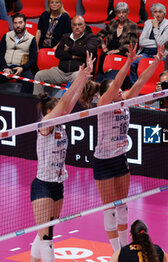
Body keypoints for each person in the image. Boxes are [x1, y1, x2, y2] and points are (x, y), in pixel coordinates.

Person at [91, 44, 165, 251]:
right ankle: (116, 252)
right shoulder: (103, 106)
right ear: (107, 93)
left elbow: (141, 81)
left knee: (122, 206)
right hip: (103, 161)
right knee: (110, 210)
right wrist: (128, 62)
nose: (121, 91)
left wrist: (157, 61)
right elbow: (115, 84)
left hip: (120, 158)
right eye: (117, 89)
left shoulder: (124, 101)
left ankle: (124, 249)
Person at [30, 52, 95, 262]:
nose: (64, 112)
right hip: (42, 185)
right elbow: (66, 104)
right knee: (47, 237)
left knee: (45, 232)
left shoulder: (60, 125)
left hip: (58, 184)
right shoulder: (46, 125)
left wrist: (83, 77)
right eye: (58, 109)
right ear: (50, 111)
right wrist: (80, 78)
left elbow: (69, 105)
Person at [33, 16, 98, 97]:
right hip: (61, 71)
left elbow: (88, 51)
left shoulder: (91, 38)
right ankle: (37, 102)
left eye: (80, 25)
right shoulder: (65, 37)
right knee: (39, 75)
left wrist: (68, 49)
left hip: (78, 72)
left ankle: (72, 107)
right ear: (71, 26)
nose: (77, 27)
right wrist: (74, 56)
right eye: (74, 25)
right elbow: (58, 53)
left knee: (79, 78)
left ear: (84, 26)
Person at [129, 3, 168, 84]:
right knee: (133, 63)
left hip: (161, 54)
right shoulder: (148, 23)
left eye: (160, 12)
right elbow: (142, 42)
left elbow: (161, 42)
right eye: (155, 12)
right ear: (152, 14)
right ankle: (134, 86)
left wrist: (156, 27)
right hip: (146, 52)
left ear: (164, 14)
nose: (157, 14)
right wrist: (157, 43)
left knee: (162, 65)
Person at [96, 2, 139, 80]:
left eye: (124, 12)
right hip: (109, 51)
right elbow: (99, 35)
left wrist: (118, 50)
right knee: (102, 58)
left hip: (123, 52)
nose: (121, 15)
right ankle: (99, 81)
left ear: (127, 13)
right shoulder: (112, 23)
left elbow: (133, 43)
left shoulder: (133, 25)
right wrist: (103, 46)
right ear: (116, 13)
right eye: (119, 12)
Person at [0, 13, 37, 94]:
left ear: (25, 23)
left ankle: (21, 104)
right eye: (15, 23)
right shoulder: (6, 36)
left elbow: (33, 59)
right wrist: (5, 68)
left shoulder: (31, 39)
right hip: (6, 67)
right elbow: (0, 54)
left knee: (29, 81)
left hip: (21, 68)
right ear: (13, 24)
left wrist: (22, 68)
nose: (18, 25)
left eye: (20, 22)